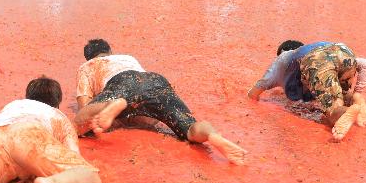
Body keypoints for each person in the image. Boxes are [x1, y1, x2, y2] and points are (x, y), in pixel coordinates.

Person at [73, 39, 247, 164]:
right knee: (190, 127)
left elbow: (84, 107)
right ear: (110, 51)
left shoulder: (87, 67)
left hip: (122, 84)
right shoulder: (127, 57)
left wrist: (98, 109)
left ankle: (114, 104)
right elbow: (140, 88)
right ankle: (213, 136)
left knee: (80, 123)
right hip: (155, 80)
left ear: (88, 58)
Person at [248, 40, 366, 141]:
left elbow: (253, 94)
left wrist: (250, 100)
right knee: (338, 91)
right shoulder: (312, 48)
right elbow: (365, 64)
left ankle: (346, 112)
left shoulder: (280, 61)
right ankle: (354, 98)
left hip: (317, 61)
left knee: (332, 113)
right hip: (343, 50)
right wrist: (358, 91)